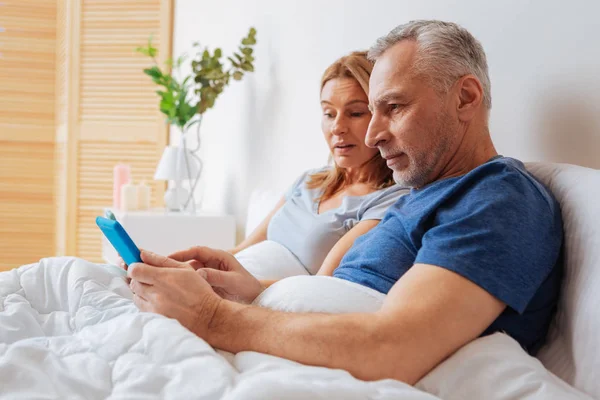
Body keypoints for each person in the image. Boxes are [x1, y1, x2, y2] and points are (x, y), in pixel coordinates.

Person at [126, 20, 563, 385]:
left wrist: (212, 316)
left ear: (466, 97)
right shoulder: (422, 194)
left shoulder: (497, 196)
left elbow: (396, 345)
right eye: (369, 112)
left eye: (392, 107)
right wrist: (250, 292)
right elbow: (356, 292)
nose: (371, 135)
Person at [229, 51, 406, 277]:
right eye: (329, 114)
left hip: (270, 302)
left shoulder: (390, 200)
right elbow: (241, 250)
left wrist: (229, 285)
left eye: (355, 113)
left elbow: (322, 283)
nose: (337, 127)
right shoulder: (309, 181)